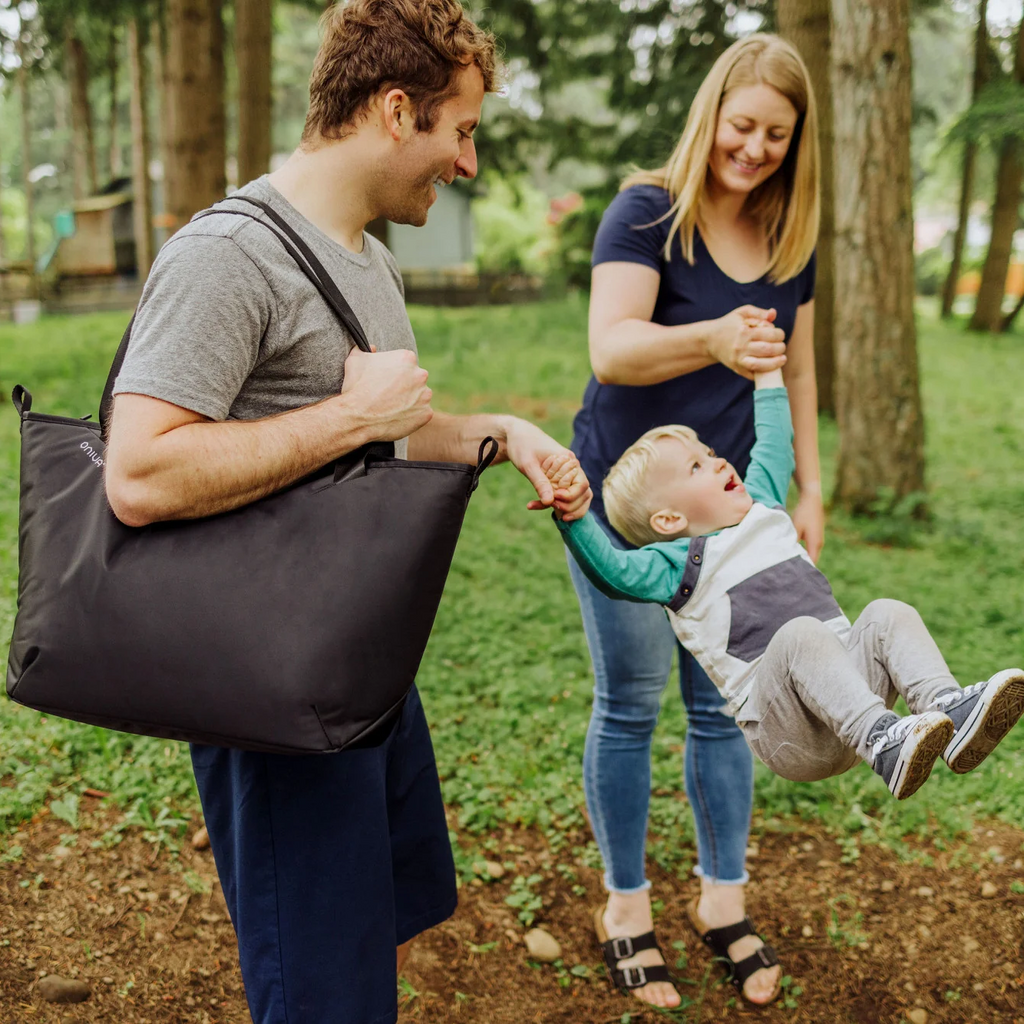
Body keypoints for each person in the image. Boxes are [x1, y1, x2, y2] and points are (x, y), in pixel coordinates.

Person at [103, 3, 590, 1022]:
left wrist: (499, 431)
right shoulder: (226, 253)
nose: (464, 162)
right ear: (396, 108)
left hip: (353, 664)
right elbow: (138, 474)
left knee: (370, 936)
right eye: (459, 130)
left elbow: (387, 432)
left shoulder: (362, 255)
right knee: (321, 990)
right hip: (272, 694)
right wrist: (346, 415)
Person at [566, 32, 822, 1007]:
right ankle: (625, 907)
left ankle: (722, 900)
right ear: (711, 112)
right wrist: (712, 336)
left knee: (722, 704)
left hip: (734, 512)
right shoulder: (648, 212)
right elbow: (613, 347)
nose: (753, 149)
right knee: (630, 704)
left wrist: (808, 489)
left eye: (775, 136)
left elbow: (795, 365)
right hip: (629, 505)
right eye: (742, 125)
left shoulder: (785, 235)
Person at [554, 370, 1024, 808]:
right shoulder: (674, 566)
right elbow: (611, 570)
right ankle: (885, 740)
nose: (716, 462)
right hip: (791, 733)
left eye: (710, 453)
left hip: (851, 702)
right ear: (670, 520)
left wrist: (767, 373)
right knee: (801, 633)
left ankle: (946, 709)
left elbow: (775, 441)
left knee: (886, 612)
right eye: (696, 467)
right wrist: (572, 516)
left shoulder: (763, 505)